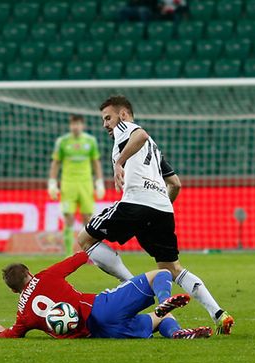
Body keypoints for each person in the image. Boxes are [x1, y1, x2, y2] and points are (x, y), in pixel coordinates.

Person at [76, 95, 234, 335]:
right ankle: (219, 313)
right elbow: (176, 184)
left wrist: (119, 162)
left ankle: (131, 284)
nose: (105, 124)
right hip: (161, 208)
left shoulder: (126, 128)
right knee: (172, 269)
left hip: (135, 201)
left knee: (85, 239)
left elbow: (141, 134)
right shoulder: (155, 151)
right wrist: (158, 207)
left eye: (108, 117)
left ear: (124, 114)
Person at [0, 252, 212, 339]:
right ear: (29, 272)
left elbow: (13, 334)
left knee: (162, 318)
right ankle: (164, 300)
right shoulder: (46, 276)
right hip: (101, 309)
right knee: (161, 273)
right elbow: (80, 257)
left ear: (13, 290)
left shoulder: (23, 314)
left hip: (98, 334)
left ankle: (176, 333)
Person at [48, 114, 105, 255]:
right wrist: (52, 182)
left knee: (88, 219)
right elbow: (56, 163)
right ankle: (68, 254)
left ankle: (91, 253)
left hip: (85, 184)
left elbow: (96, 162)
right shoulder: (62, 142)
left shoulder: (90, 141)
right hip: (68, 184)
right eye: (73, 124)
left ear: (83, 125)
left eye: (78, 124)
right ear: (70, 125)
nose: (75, 126)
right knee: (69, 218)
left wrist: (99, 182)